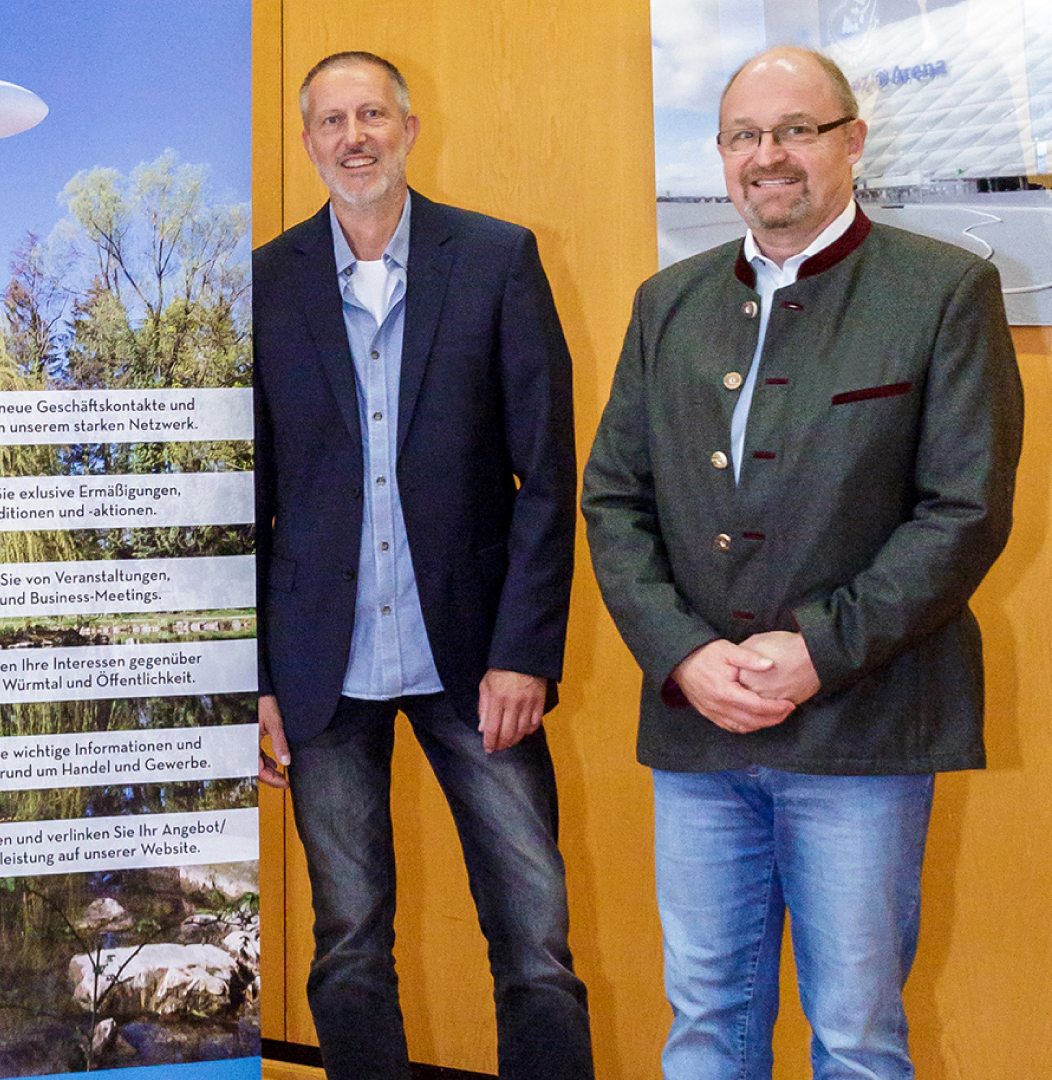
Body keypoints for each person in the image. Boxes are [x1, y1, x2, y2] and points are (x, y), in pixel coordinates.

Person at [583, 47, 1023, 1079]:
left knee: (858, 1035)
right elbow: (614, 500)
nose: (768, 156)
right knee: (702, 1027)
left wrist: (818, 651)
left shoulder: (945, 290)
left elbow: (962, 513)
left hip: (862, 731)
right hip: (695, 733)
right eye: (745, 135)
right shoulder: (669, 303)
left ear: (853, 141)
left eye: (796, 130)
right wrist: (685, 654)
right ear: (723, 154)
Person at [253, 51, 592, 1080]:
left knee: (535, 946)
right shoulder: (264, 281)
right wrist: (258, 676)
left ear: (408, 126)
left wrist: (524, 654)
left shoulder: (496, 259)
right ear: (310, 141)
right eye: (330, 121)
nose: (352, 137)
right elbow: (247, 502)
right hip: (323, 670)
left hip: (476, 665)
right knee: (349, 949)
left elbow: (549, 473)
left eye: (371, 115)